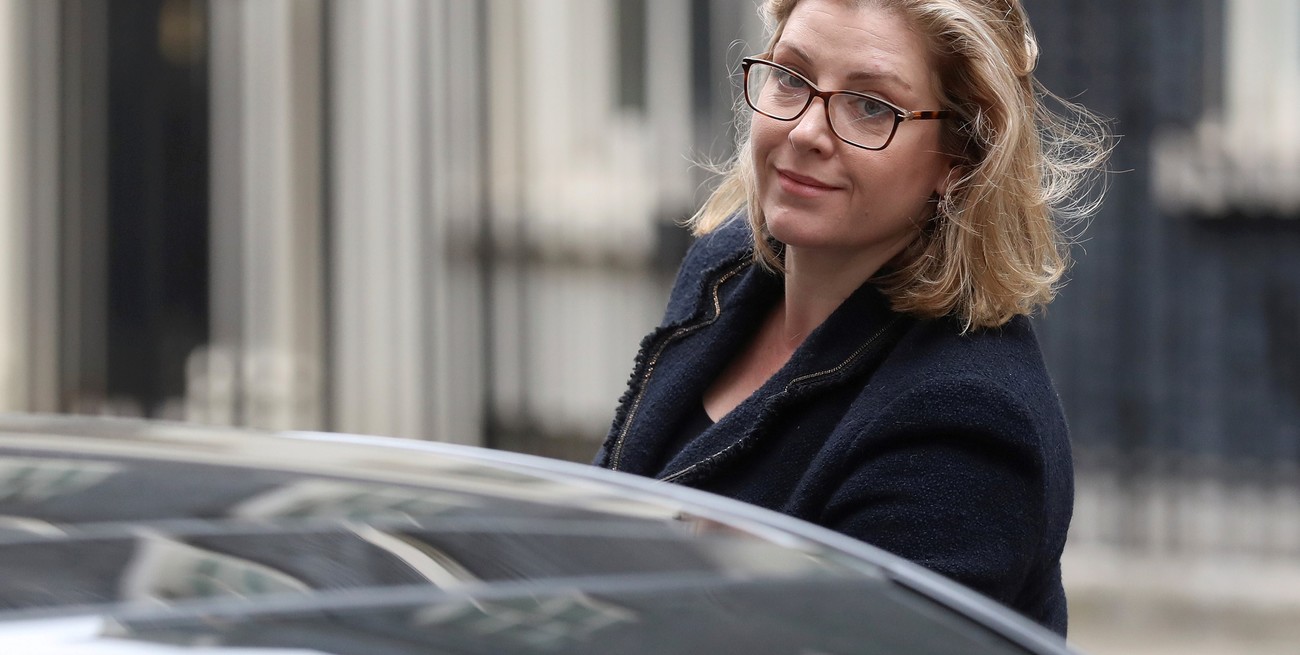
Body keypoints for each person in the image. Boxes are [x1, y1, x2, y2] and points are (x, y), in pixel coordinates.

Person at [593, 0, 1109, 637]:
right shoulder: (725, 269)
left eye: (870, 106)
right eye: (792, 77)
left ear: (959, 157)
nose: (806, 130)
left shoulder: (963, 422)